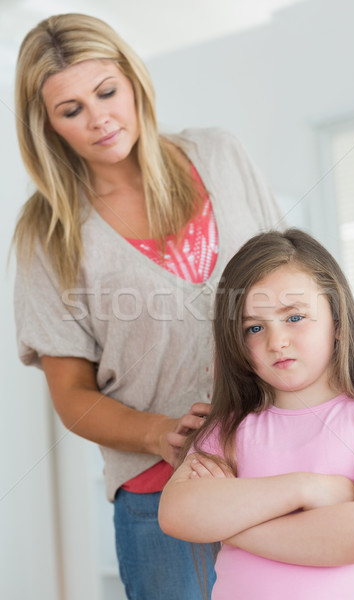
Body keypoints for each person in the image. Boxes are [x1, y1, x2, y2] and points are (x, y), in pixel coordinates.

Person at [12, 12, 282, 600]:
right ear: (47, 127)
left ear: (133, 80)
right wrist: (161, 434)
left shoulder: (220, 154)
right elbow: (72, 397)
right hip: (161, 495)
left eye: (106, 91)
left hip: (279, 462)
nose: (99, 119)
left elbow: (297, 294)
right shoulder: (46, 233)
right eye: (71, 109)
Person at [159, 228, 354, 600]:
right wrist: (307, 488)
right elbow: (177, 512)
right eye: (254, 327)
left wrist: (231, 525)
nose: (276, 341)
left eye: (294, 317)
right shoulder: (228, 428)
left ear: (337, 320)